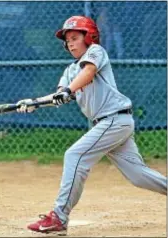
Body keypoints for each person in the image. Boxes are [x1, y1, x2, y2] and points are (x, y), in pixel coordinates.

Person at [16, 16, 167, 236]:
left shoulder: (96, 52)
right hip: (111, 124)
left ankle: (59, 217)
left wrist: (68, 91)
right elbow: (61, 95)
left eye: (75, 37)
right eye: (67, 40)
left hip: (113, 119)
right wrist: (34, 103)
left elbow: (87, 73)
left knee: (74, 155)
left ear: (89, 38)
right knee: (138, 175)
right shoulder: (70, 70)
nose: (70, 43)